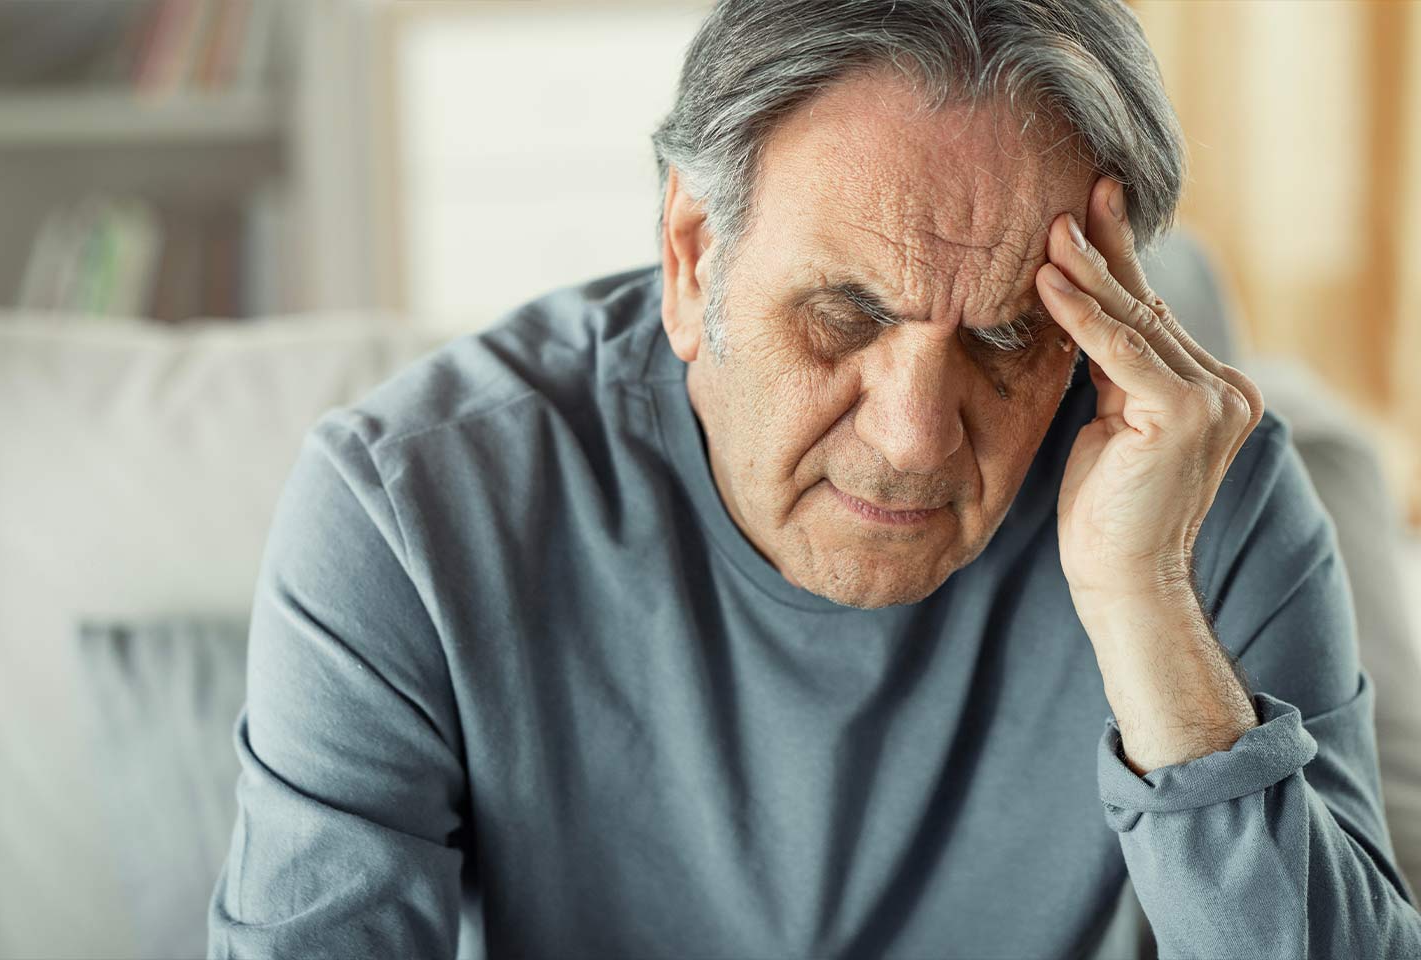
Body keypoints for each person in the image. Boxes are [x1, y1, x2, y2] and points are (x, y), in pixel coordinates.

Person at [208, 1, 1421, 957]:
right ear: (692, 259)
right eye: (843, 316)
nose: (912, 438)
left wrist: (1146, 595)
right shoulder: (406, 507)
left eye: (1007, 339)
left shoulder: (1207, 498)